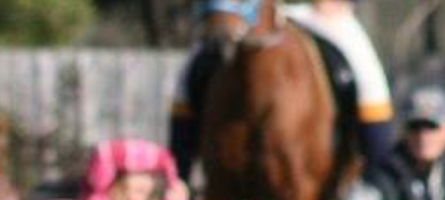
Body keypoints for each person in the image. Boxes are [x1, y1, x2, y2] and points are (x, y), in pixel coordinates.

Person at [169, 0, 394, 184]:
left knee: (370, 84)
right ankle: (178, 187)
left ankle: (378, 184)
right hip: (243, 12)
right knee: (187, 79)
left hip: (313, 12)